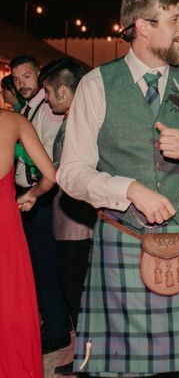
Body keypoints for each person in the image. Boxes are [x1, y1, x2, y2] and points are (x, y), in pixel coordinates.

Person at [57, 0, 179, 377]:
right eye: (174, 19)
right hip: (124, 238)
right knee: (125, 368)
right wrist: (128, 189)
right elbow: (71, 174)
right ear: (143, 26)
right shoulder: (96, 85)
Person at [11, 54, 70, 354]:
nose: (22, 84)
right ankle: (52, 321)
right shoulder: (26, 109)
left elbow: (50, 156)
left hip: (44, 196)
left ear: (37, 74)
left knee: (46, 266)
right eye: (17, 79)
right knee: (36, 265)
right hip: (29, 196)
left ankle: (58, 329)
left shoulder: (48, 111)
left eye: (27, 77)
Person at [41, 58, 96, 376]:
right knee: (78, 295)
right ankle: (87, 359)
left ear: (63, 90)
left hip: (78, 226)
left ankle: (90, 362)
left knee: (79, 294)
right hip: (73, 223)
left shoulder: (80, 121)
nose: (46, 98)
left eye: (48, 91)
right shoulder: (78, 117)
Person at [0, 108, 56, 378]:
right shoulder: (13, 121)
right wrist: (31, 195)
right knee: (11, 304)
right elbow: (50, 176)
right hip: (5, 227)